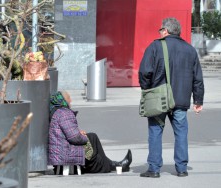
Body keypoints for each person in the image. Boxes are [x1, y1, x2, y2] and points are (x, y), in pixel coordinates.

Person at [138, 17, 204, 178]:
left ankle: (154, 169)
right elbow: (198, 78)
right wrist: (198, 100)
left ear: (166, 31)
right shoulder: (190, 50)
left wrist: (148, 90)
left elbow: (144, 72)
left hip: (159, 100)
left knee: (155, 131)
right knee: (181, 133)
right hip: (181, 101)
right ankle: (181, 169)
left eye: (161, 29)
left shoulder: (155, 46)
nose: (160, 32)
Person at [48, 91, 132, 174]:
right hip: (65, 153)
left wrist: (79, 133)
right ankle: (116, 165)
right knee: (92, 145)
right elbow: (75, 138)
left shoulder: (57, 112)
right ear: (63, 100)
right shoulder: (64, 113)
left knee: (92, 137)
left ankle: (115, 164)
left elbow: (66, 133)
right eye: (68, 98)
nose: (71, 100)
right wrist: (83, 137)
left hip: (59, 152)